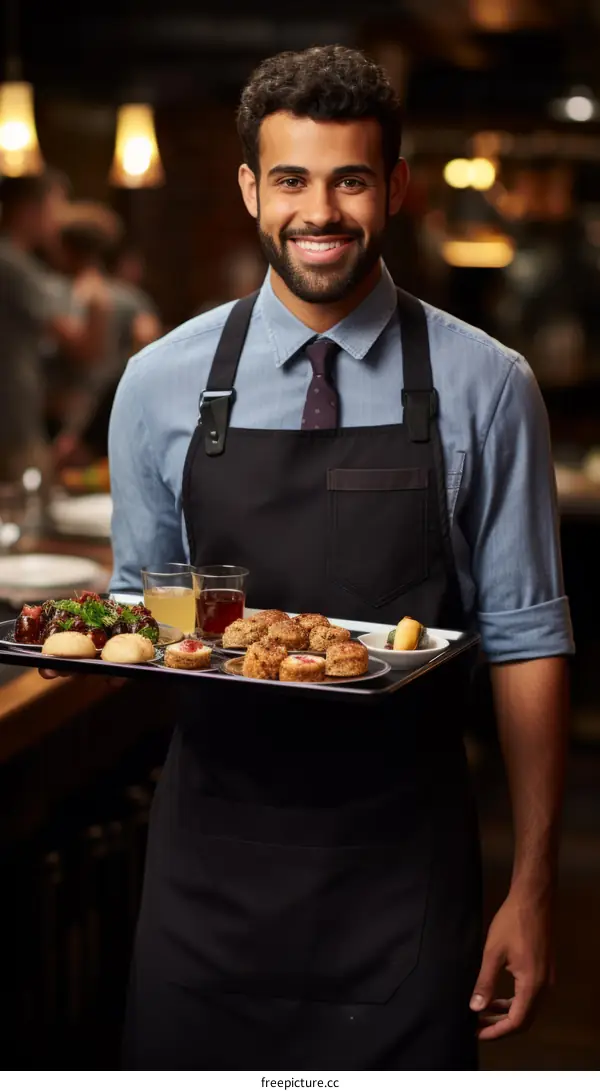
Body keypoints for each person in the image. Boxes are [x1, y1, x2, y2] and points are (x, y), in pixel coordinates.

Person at [105, 45, 573, 1069]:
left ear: (395, 186)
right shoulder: (156, 384)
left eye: (350, 179)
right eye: (291, 180)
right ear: (250, 190)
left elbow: (530, 641)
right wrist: (100, 637)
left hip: (402, 871)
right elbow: (142, 608)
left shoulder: (490, 385)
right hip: (208, 872)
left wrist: (532, 885)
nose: (319, 211)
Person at [0, 171, 106, 486]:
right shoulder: (12, 264)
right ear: (29, 210)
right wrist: (98, 301)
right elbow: (81, 346)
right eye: (54, 208)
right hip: (12, 422)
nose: (59, 221)